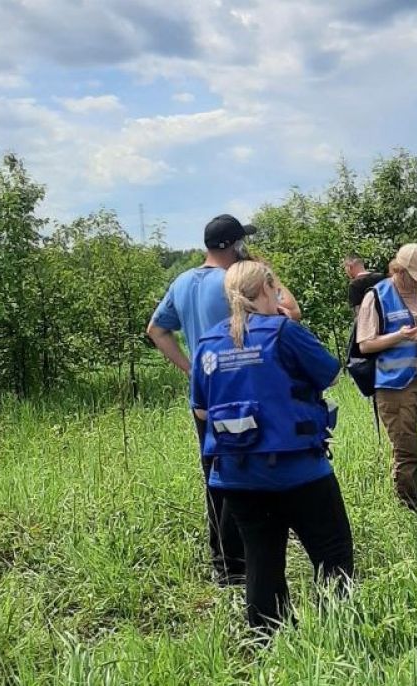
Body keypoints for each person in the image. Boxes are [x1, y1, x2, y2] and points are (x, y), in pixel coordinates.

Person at [191, 261, 354, 631]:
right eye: (275, 287)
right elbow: (329, 371)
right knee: (332, 554)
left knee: (262, 561)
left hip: (238, 477)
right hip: (300, 472)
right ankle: (341, 631)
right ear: (266, 289)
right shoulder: (283, 332)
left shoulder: (209, 342)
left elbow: (201, 409)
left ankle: (268, 641)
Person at [146, 214, 299, 587]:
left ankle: (225, 564)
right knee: (251, 478)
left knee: (215, 477)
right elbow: (291, 315)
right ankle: (252, 562)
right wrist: (270, 276)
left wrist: (192, 371)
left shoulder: (183, 282)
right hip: (246, 397)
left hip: (206, 400)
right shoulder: (239, 283)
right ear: (233, 246)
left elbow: (156, 331)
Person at [356, 243, 417, 510]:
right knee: (407, 448)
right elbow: (365, 344)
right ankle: (411, 505)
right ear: (399, 270)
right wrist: (399, 336)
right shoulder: (376, 296)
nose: (416, 282)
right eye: (412, 276)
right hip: (394, 384)